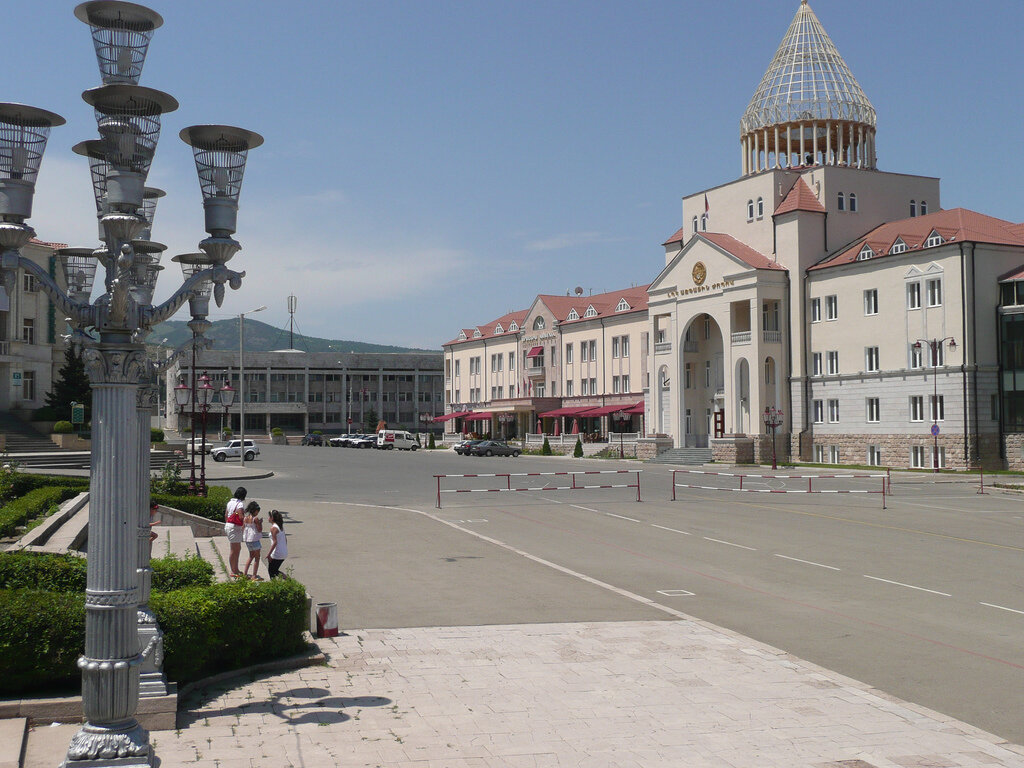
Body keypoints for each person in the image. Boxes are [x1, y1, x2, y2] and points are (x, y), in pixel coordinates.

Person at [224, 487, 247, 578]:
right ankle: (233, 570)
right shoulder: (240, 504)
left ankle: (236, 569)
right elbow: (241, 517)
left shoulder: (230, 502)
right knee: (234, 550)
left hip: (229, 526)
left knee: (236, 549)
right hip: (235, 528)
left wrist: (228, 523)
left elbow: (226, 515)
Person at [242, 501, 263, 580]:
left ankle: (245, 573)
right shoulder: (255, 519)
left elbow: (243, 527)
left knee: (251, 556)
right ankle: (254, 575)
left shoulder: (245, 518)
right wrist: (260, 523)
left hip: (248, 539)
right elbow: (259, 529)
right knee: (257, 558)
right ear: (255, 511)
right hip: (255, 539)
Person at [267, 509, 288, 579]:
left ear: (272, 518)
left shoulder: (273, 528)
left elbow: (275, 542)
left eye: (269, 517)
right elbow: (285, 539)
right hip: (283, 552)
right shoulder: (280, 526)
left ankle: (287, 581)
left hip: (277, 553)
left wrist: (269, 554)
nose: (268, 518)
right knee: (275, 571)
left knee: (271, 571)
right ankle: (288, 580)